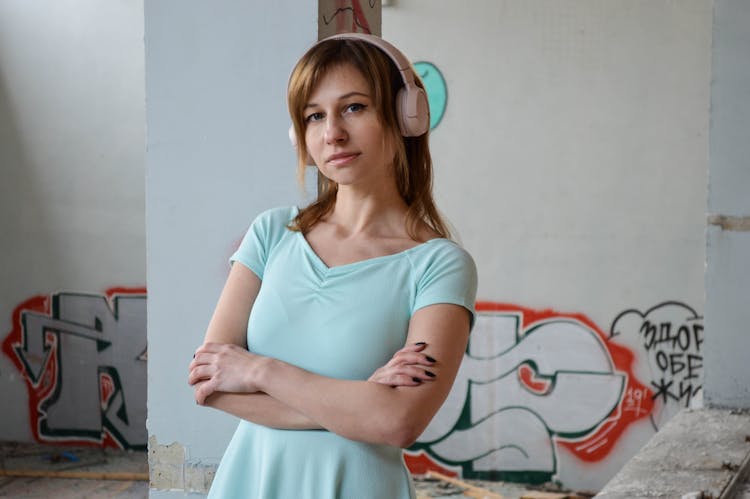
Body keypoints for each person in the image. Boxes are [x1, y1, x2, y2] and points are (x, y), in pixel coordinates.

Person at [188, 33, 478, 499]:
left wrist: (260, 372)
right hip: (250, 485)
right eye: (314, 116)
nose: (332, 133)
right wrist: (359, 401)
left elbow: (399, 420)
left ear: (406, 115)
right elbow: (209, 382)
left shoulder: (440, 266)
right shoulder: (271, 233)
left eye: (355, 107)